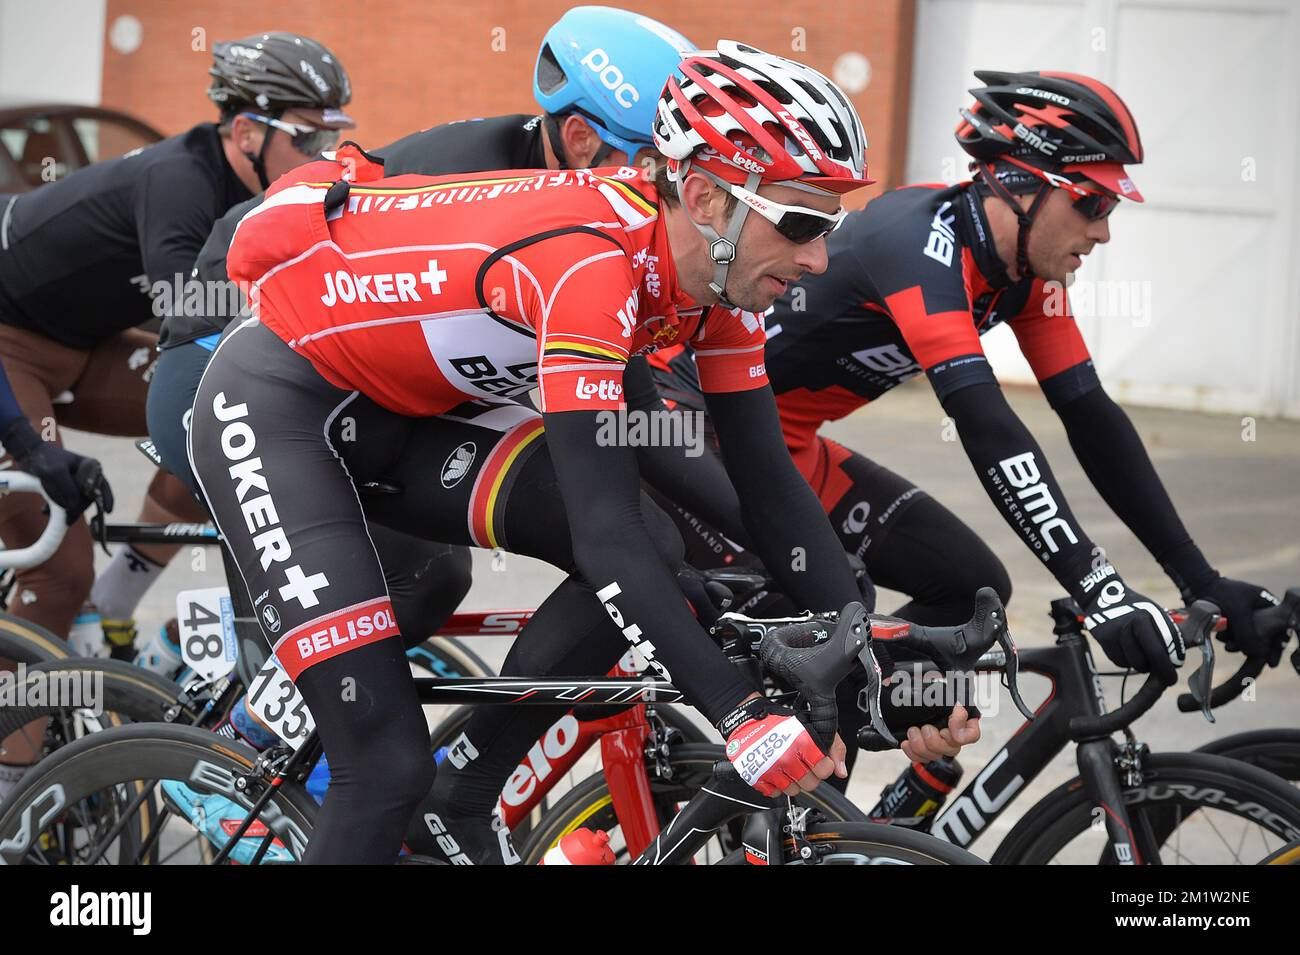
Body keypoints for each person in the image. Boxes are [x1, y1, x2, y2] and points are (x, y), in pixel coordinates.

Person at [188, 40, 978, 864]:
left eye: (831, 226)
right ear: (707, 197)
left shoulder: (717, 283)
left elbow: (767, 489)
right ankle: (419, 785)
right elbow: (604, 533)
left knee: (666, 547)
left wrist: (860, 644)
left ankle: (468, 783)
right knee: (383, 765)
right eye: (803, 222)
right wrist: (739, 714)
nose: (819, 257)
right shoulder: (592, 266)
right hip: (281, 410)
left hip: (411, 414)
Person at [646, 69, 1281, 679]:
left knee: (967, 591)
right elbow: (987, 427)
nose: (1104, 231)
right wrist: (1102, 592)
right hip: (685, 430)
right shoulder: (916, 243)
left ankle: (888, 725)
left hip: (782, 448)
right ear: (1017, 184)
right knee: (834, 630)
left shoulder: (1024, 281)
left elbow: (1093, 422)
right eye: (1091, 202)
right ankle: (753, 762)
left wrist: (1201, 581)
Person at [0, 32, 354, 654]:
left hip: (84, 344)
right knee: (59, 565)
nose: (323, 156)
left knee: (226, 418)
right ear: (248, 132)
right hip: (9, 346)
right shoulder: (181, 181)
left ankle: (115, 599)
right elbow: (193, 314)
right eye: (308, 138)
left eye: (331, 138)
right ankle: (19, 752)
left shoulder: (257, 188)